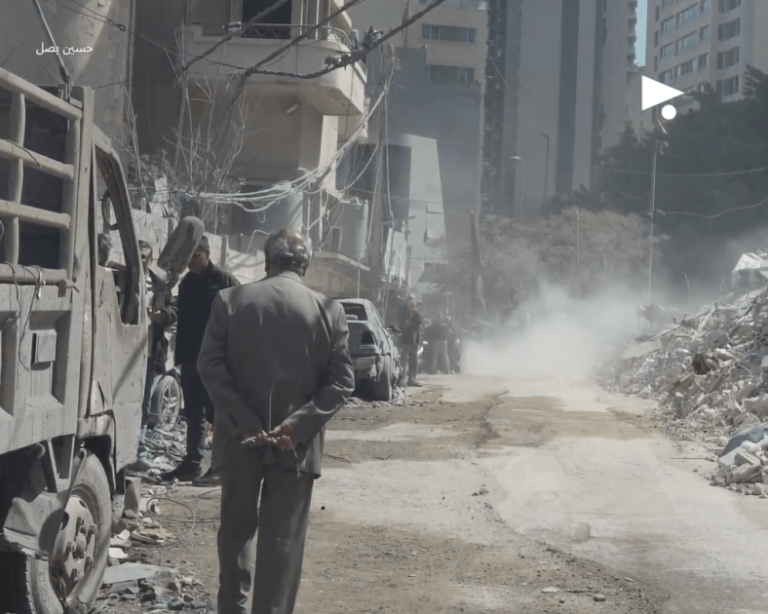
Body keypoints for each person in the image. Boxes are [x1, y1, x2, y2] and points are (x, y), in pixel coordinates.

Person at [197, 228, 355, 614]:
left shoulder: (230, 301)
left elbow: (209, 365)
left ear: (268, 259)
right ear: (305, 264)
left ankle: (232, 608)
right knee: (283, 541)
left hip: (240, 441)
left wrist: (245, 421)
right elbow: (341, 382)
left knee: (235, 532)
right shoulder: (328, 311)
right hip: (295, 448)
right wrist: (296, 427)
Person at [161, 235, 239, 484]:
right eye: (189, 258)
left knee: (218, 415)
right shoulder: (186, 282)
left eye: (195, 256)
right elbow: (181, 315)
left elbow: (240, 316)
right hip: (191, 359)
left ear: (206, 254)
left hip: (217, 360)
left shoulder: (224, 280)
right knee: (194, 414)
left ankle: (221, 465)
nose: (191, 262)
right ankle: (192, 463)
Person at [129, 240, 177, 472]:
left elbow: (174, 308)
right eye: (137, 256)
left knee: (144, 405)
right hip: (124, 355)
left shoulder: (159, 286)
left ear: (151, 260)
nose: (141, 260)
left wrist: (163, 315)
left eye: (145, 257)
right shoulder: (122, 278)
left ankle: (138, 452)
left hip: (149, 353)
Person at [397, 295, 422, 386]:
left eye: (412, 299)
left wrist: (413, 313)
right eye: (409, 299)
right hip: (404, 338)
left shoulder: (417, 313)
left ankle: (412, 379)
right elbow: (401, 323)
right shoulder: (402, 311)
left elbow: (417, 324)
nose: (411, 301)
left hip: (414, 339)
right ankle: (402, 379)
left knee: (413, 360)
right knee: (403, 359)